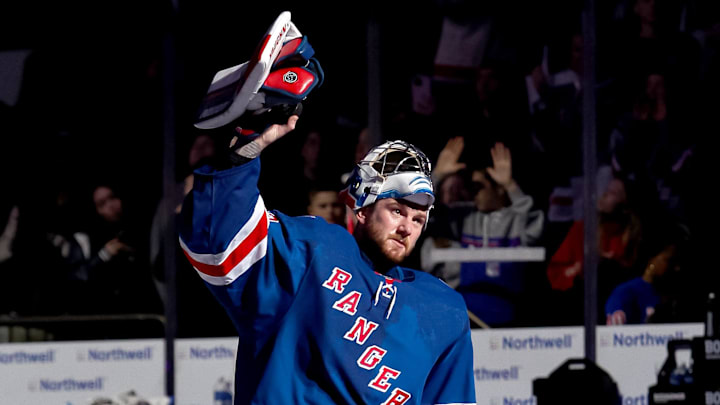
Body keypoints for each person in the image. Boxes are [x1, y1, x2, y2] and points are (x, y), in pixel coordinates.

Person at [178, 116, 476, 404]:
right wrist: (239, 159)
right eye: (396, 210)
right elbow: (220, 243)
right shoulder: (314, 249)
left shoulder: (444, 308)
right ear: (362, 210)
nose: (406, 228)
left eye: (418, 219)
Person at [420, 139, 545, 327]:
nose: (473, 193)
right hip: (465, 317)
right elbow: (425, 210)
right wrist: (436, 175)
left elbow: (535, 225)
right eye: (471, 187)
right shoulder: (463, 216)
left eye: (479, 187)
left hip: (511, 318)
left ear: (499, 189)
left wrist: (511, 185)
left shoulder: (515, 219)